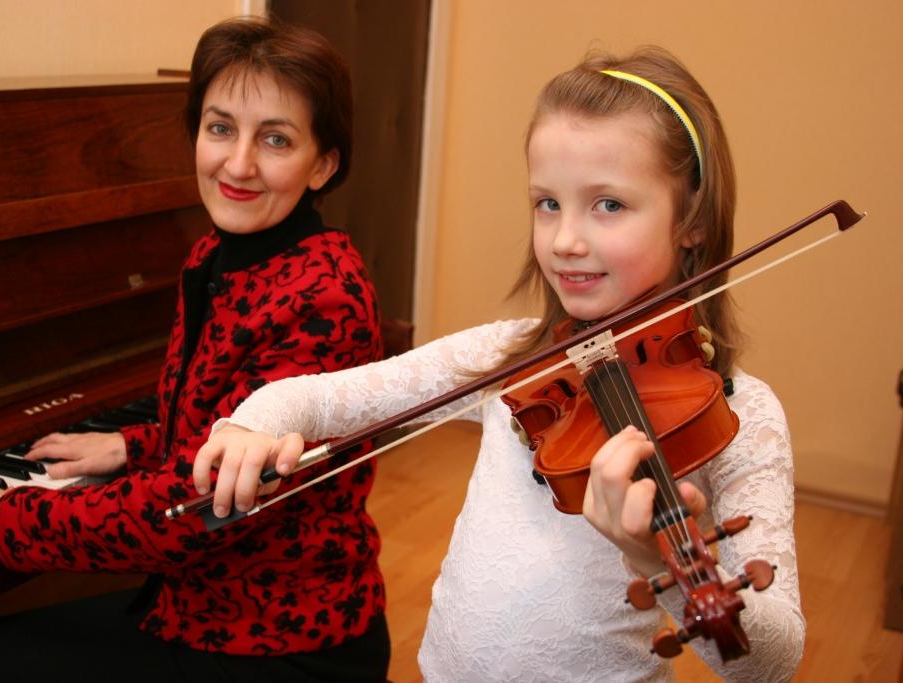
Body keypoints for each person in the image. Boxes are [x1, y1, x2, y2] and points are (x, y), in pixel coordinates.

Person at [191, 46, 804, 681]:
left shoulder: (739, 412)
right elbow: (330, 397)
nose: (565, 239)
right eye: (548, 202)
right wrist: (253, 422)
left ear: (693, 221)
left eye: (609, 205)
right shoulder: (512, 360)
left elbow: (772, 662)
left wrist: (663, 566)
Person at [0, 16, 390, 683]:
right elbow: (220, 428)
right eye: (220, 127)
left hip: (278, 638)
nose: (238, 163)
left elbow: (199, 506)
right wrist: (131, 444)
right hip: (195, 602)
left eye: (275, 139)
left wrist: (10, 511)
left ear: (325, 164)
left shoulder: (322, 294)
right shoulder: (215, 256)